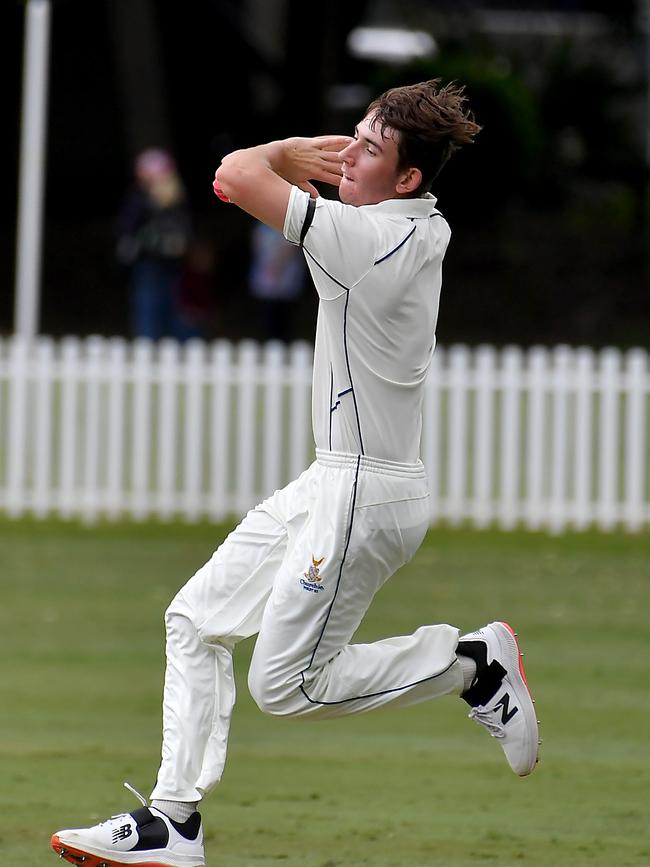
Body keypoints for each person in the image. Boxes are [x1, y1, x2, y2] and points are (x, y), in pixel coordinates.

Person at [51, 80, 539, 867]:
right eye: (352, 134)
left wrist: (282, 155)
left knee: (287, 688)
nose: (348, 154)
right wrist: (323, 161)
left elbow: (236, 176)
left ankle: (470, 664)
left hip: (363, 495)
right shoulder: (401, 222)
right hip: (335, 481)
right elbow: (235, 180)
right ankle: (173, 820)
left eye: (370, 150)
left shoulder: (369, 238)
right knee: (195, 619)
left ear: (409, 180)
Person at [116, 148, 193, 340]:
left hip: (157, 263)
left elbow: (127, 228)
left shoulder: (145, 198)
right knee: (160, 304)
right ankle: (160, 342)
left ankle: (155, 342)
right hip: (156, 261)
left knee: (156, 305)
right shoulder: (170, 198)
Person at [248, 220, 306, 342]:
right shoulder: (261, 226)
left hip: (285, 279)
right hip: (265, 278)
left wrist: (278, 266)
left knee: (284, 317)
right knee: (267, 315)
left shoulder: (288, 224)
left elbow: (290, 247)